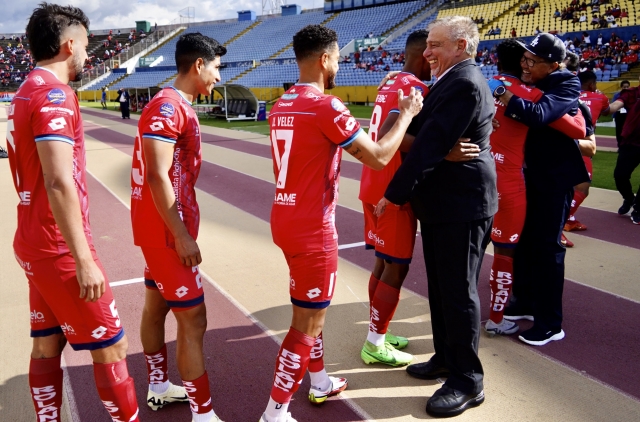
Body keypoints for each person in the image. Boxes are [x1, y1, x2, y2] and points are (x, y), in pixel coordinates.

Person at [261, 24, 423, 422]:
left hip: (283, 216)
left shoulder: (282, 103)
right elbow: (380, 156)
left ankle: (319, 381)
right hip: (312, 227)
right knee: (307, 322)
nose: (339, 66)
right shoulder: (326, 106)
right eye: (338, 58)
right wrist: (405, 115)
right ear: (325, 59)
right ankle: (274, 413)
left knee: (309, 310)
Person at [6, 4, 139, 421]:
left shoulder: (26, 88)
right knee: (112, 347)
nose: (89, 55)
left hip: (32, 239)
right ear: (69, 45)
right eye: (85, 45)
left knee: (47, 343)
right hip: (57, 245)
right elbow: (58, 180)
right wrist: (83, 259)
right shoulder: (52, 94)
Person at [377, 16, 496, 418]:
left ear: (461, 46)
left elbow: (426, 146)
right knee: (444, 288)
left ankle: (467, 380)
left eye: (435, 45)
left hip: (462, 204)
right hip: (447, 204)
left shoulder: (463, 81)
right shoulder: (450, 79)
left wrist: (393, 197)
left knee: (459, 293)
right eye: (427, 44)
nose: (426, 52)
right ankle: (446, 357)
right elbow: (420, 135)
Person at [131, 33, 227, 422]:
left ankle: (157, 387)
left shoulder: (174, 105)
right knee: (194, 318)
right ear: (198, 65)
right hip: (167, 232)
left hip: (161, 228)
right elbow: (157, 175)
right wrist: (182, 234)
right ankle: (204, 416)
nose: (218, 77)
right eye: (216, 68)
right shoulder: (168, 108)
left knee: (156, 305)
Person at [492, 33, 590, 345]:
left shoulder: (566, 83)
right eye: (523, 58)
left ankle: (550, 322)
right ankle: (525, 302)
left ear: (554, 65)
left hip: (554, 177)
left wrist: (505, 96)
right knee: (524, 242)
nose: (525, 65)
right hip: (528, 174)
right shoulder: (532, 81)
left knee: (548, 249)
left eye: (532, 62)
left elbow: (539, 116)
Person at [358, 30, 434, 367]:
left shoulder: (390, 83)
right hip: (393, 190)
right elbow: (394, 129)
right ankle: (374, 342)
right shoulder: (418, 88)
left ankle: (379, 332)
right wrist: (444, 152)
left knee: (383, 261)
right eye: (431, 56)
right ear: (423, 57)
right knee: (397, 267)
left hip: (371, 182)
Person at [564, 70, 610, 233]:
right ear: (592, 84)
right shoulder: (600, 98)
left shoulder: (566, 96)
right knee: (582, 187)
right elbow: (608, 111)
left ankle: (567, 219)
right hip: (581, 145)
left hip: (561, 147)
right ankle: (563, 221)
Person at [607, 76, 640, 223]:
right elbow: (614, 106)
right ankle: (629, 199)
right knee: (620, 175)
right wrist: (602, 106)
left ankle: (638, 207)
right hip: (631, 142)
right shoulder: (631, 93)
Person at [612, 79, 630, 146]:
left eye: (627, 87)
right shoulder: (617, 95)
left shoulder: (631, 95)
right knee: (619, 130)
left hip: (628, 115)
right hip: (619, 115)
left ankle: (626, 145)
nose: (626, 88)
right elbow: (613, 104)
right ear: (621, 87)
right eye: (624, 87)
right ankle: (620, 145)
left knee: (627, 130)